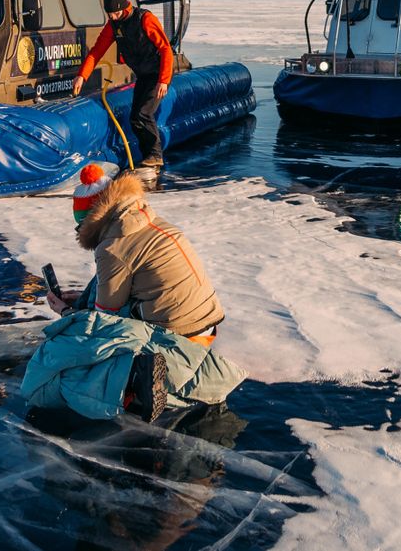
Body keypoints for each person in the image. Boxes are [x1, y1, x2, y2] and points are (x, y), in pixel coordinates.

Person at [22, 164, 242, 421]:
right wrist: (82, 299)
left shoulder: (112, 247)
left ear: (90, 221)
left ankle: (136, 381)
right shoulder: (147, 221)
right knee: (97, 290)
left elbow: (103, 319)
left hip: (180, 334)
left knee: (77, 352)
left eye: (78, 227)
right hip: (205, 322)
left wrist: (67, 312)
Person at [70, 0, 175, 167]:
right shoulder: (113, 25)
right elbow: (96, 52)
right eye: (109, 14)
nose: (113, 17)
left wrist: (163, 80)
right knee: (135, 117)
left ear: (124, 8)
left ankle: (155, 156)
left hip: (157, 74)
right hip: (143, 74)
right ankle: (148, 158)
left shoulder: (145, 19)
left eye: (116, 13)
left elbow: (166, 49)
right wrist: (82, 76)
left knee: (144, 113)